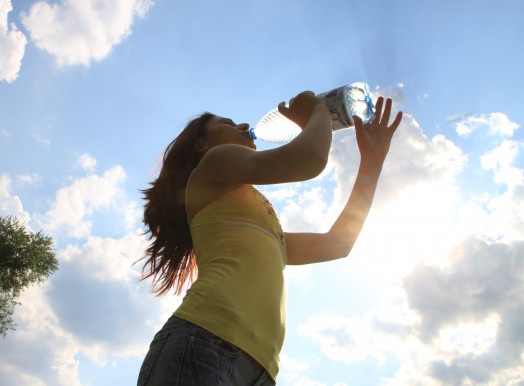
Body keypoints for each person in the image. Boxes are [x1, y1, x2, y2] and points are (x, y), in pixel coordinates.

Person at [136, 91, 403, 385]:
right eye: (228, 123)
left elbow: (338, 244)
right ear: (202, 144)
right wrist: (318, 110)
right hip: (205, 341)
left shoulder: (249, 213)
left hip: (258, 367)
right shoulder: (214, 162)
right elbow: (308, 159)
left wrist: (372, 161)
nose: (243, 125)